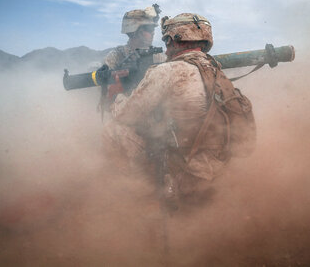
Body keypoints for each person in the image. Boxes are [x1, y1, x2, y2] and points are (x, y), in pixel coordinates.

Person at [102, 13, 256, 205]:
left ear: (175, 39)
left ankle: (136, 196)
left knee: (113, 129)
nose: (166, 50)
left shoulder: (166, 71)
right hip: (216, 163)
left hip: (188, 170)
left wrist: (116, 95)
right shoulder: (213, 67)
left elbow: (127, 116)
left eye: (167, 42)